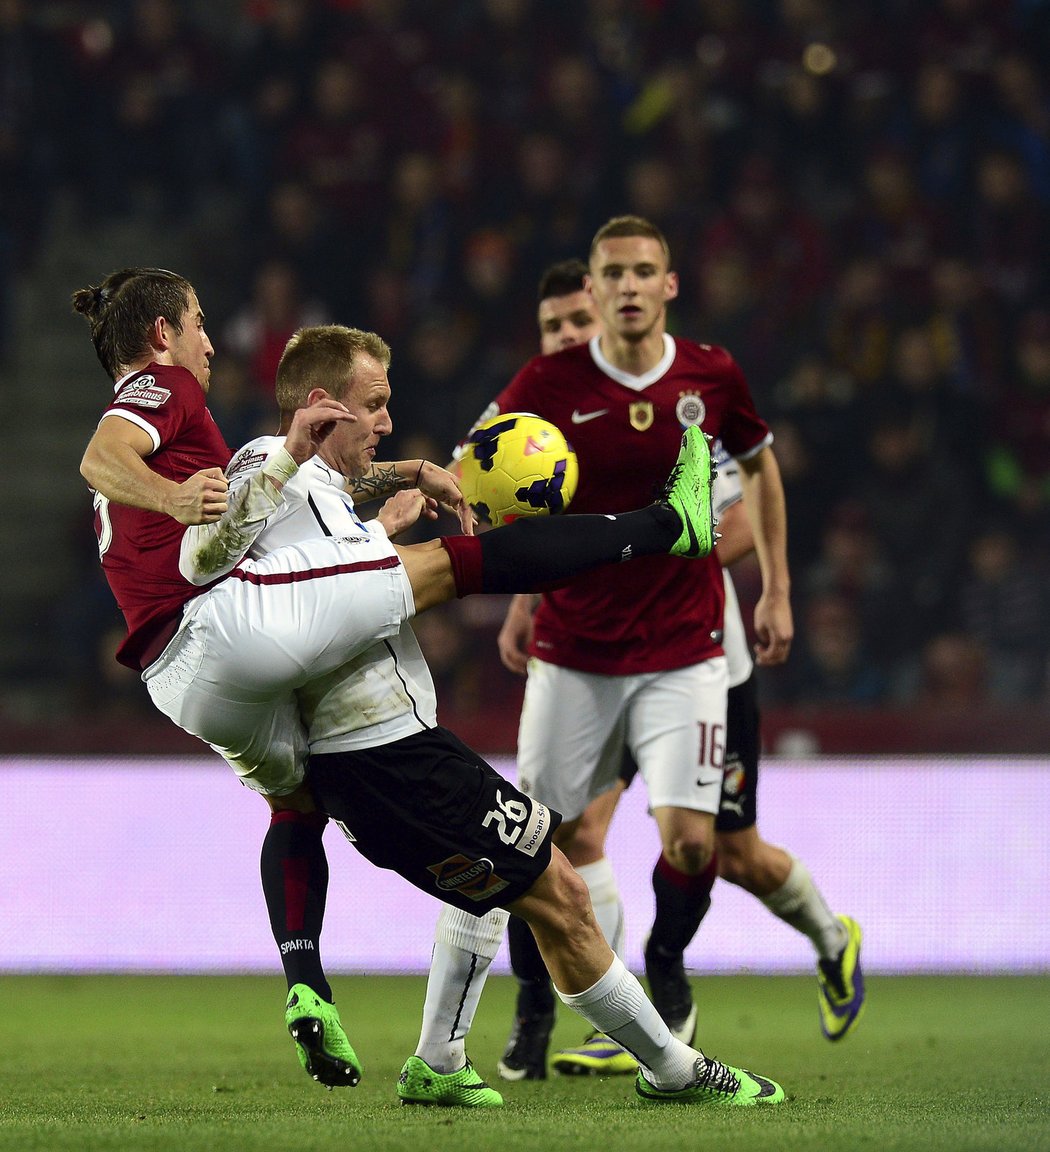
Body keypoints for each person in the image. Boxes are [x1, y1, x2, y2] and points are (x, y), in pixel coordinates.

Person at [75, 269, 785, 1109]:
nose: (383, 419)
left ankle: (434, 1056)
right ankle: (672, 526)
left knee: (493, 886)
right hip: (375, 749)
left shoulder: (312, 495)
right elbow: (196, 526)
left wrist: (393, 490)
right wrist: (187, 497)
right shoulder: (237, 439)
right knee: (454, 582)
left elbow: (297, 535)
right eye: (372, 405)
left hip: (299, 728)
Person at [417, 248, 864, 1086]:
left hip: (698, 654)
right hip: (583, 652)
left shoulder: (688, 394)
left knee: (723, 851)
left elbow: (722, 518)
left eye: (574, 323)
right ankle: (561, 1018)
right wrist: (523, 589)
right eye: (550, 328)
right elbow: (493, 487)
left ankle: (811, 942)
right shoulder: (538, 410)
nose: (565, 339)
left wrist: (772, 588)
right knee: (561, 837)